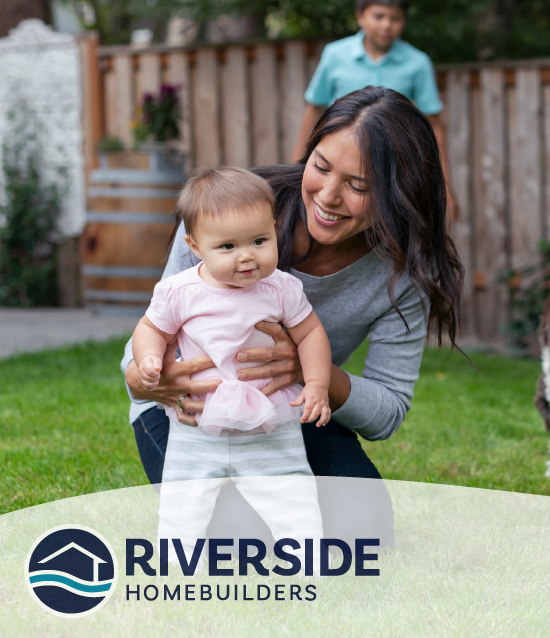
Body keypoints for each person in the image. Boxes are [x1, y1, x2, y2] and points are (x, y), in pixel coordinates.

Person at [122, 87, 462, 541]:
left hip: (286, 410)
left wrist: (310, 370)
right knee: (236, 540)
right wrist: (152, 378)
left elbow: (387, 412)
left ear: (399, 194)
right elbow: (147, 340)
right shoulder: (227, 214)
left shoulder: (401, 275)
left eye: (358, 186)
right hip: (191, 415)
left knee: (364, 532)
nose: (327, 195)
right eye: (320, 167)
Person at [133, 166, 330, 551]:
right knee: (183, 501)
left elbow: (310, 334)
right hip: (198, 422)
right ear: (194, 248)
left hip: (269, 422)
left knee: (293, 496)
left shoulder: (282, 289)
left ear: (275, 230)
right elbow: (151, 329)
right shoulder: (179, 291)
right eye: (228, 247)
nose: (247, 258)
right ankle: (176, 565)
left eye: (259, 240)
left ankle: (306, 562)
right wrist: (148, 359)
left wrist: (318, 384)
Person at [288, 0, 457, 221]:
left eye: (395, 18)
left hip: (392, 170)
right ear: (360, 17)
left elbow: (434, 126)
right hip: (339, 161)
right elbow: (314, 110)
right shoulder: (335, 55)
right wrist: (295, 167)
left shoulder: (418, 63)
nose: (387, 25)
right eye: (379, 16)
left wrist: (445, 188)